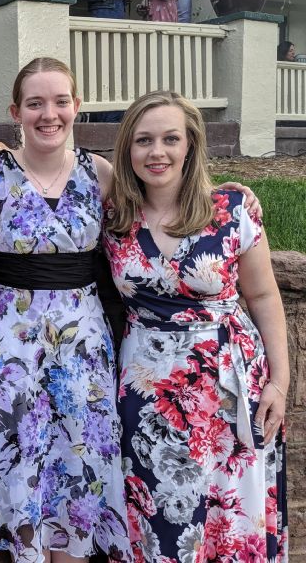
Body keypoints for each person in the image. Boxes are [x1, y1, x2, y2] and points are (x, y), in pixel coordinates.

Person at [0, 57, 132, 562]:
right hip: (11, 349)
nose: (48, 114)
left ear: (77, 107)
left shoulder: (102, 175)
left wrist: (234, 194)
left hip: (83, 351)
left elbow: (168, 205)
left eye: (59, 102)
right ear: (16, 111)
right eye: (35, 103)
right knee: (22, 464)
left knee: (78, 470)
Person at [102, 90, 288, 562]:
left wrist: (281, 384)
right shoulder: (113, 217)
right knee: (158, 517)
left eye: (170, 139)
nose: (157, 152)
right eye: (143, 140)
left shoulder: (230, 211)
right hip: (148, 398)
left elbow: (264, 296)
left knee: (231, 514)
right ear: (128, 149)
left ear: (190, 144)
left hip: (229, 387)